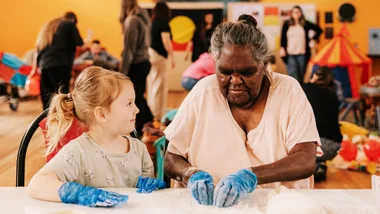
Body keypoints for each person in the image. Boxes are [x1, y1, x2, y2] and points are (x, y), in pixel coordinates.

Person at [164, 14, 322, 208]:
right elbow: (171, 157)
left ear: (264, 65)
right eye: (225, 72)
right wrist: (191, 174)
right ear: (215, 65)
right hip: (211, 208)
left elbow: (306, 160)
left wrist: (251, 176)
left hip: (278, 207)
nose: (235, 80)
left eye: (247, 72)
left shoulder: (288, 92)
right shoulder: (203, 93)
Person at [27, 67, 165, 207]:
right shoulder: (78, 151)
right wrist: (78, 193)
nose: (137, 110)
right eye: (129, 103)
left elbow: (147, 201)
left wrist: (153, 188)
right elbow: (37, 184)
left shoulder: (139, 149)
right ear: (101, 115)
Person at [34, 12, 92, 110]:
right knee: (61, 97)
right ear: (74, 19)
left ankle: (48, 122)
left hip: (44, 65)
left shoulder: (49, 26)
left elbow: (38, 49)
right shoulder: (69, 24)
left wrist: (35, 68)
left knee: (47, 99)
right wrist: (89, 37)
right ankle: (62, 122)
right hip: (60, 64)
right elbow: (81, 45)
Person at [119, 0, 153, 136]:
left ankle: (137, 131)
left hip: (136, 64)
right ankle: (148, 118)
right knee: (138, 94)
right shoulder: (143, 17)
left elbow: (129, 50)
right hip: (144, 61)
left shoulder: (132, 20)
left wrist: (122, 73)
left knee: (135, 98)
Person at [303, 67, 343, 181]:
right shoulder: (333, 96)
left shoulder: (305, 88)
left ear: (315, 76)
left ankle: (312, 166)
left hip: (310, 145)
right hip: (333, 147)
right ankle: (320, 164)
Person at [280, 6, 322, 84]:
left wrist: (312, 38)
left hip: (302, 54)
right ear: (291, 14)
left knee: (301, 75)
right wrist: (282, 48)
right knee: (293, 75)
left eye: (298, 12)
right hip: (290, 53)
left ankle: (300, 92)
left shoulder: (305, 24)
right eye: (294, 12)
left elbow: (319, 30)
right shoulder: (287, 24)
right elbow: (283, 37)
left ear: (301, 13)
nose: (296, 14)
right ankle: (294, 93)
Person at [147, 2, 175, 120]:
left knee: (153, 83)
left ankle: (153, 110)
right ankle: (157, 113)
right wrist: (172, 56)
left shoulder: (152, 22)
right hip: (159, 56)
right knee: (160, 84)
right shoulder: (163, 23)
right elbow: (166, 41)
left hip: (151, 53)